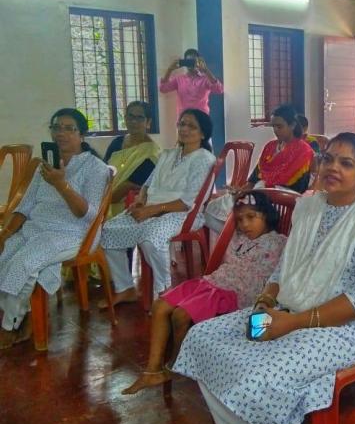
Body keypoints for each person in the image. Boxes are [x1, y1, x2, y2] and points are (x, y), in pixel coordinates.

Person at [172, 132, 355, 424]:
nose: (333, 168)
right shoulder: (310, 207)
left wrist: (294, 323)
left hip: (346, 327)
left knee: (257, 378)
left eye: (346, 163)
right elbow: (284, 267)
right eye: (328, 159)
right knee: (201, 338)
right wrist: (264, 302)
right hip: (289, 305)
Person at [121, 191, 287, 395]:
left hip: (233, 294)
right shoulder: (239, 237)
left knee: (181, 315)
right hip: (211, 283)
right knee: (160, 305)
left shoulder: (279, 242)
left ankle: (176, 366)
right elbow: (213, 209)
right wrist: (234, 194)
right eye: (240, 219)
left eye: (251, 217)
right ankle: (153, 369)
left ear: (267, 216)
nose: (244, 224)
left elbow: (278, 277)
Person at [0, 109, 109, 348]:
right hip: (36, 228)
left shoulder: (95, 168)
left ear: (82, 134)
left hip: (73, 233)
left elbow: (88, 215)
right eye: (56, 127)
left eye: (69, 128)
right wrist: (5, 233)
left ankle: (10, 325)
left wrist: (62, 185)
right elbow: (25, 205)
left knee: (24, 263)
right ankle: (24, 314)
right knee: (6, 253)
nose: (61, 133)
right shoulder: (46, 165)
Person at [100, 109, 216, 307]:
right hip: (152, 210)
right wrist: (140, 199)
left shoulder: (204, 159)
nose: (185, 129)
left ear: (203, 133)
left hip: (182, 214)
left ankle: (164, 293)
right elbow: (148, 182)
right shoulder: (169, 154)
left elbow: (188, 202)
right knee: (107, 232)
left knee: (151, 239)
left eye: (192, 126)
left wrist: (150, 211)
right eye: (182, 124)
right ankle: (125, 287)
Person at [205, 105, 314, 233]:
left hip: (280, 200)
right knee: (210, 210)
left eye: (279, 126)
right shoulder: (270, 147)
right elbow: (254, 178)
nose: (275, 130)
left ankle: (241, 239)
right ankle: (238, 238)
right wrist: (241, 191)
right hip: (259, 192)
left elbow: (298, 189)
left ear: (292, 125)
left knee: (244, 213)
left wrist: (260, 192)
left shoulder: (304, 151)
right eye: (273, 126)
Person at [103, 101, 161, 217]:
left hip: (125, 208)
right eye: (130, 116)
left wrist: (99, 202)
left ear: (148, 122)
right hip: (101, 198)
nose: (134, 121)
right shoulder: (117, 142)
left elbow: (127, 187)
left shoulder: (152, 153)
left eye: (139, 118)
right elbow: (102, 170)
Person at [159, 48, 223, 116]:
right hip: (184, 119)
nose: (190, 64)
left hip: (201, 119)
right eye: (188, 61)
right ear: (184, 62)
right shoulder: (179, 79)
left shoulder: (205, 79)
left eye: (193, 61)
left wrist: (206, 70)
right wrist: (170, 69)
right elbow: (163, 88)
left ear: (198, 62)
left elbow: (219, 89)